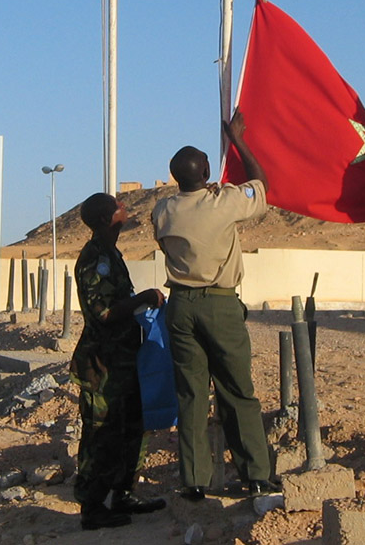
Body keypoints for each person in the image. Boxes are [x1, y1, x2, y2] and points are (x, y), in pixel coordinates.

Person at [151, 110, 281, 501]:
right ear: (207, 172)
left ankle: (193, 480)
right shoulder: (223, 203)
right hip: (219, 304)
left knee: (191, 395)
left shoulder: (163, 211)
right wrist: (239, 139)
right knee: (237, 391)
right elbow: (261, 186)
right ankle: (256, 474)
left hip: (181, 305)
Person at [71, 192, 167, 530]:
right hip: (102, 365)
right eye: (117, 207)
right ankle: (92, 505)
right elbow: (104, 312)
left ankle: (124, 492)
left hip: (125, 360)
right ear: (103, 219)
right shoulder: (94, 259)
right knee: (102, 433)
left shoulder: (111, 254)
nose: (124, 209)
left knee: (132, 428)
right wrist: (142, 299)